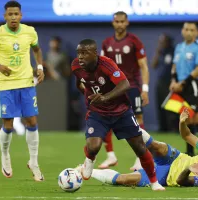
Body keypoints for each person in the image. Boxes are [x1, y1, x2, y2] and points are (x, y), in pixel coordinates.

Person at [71, 38, 165, 191]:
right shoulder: (76, 65)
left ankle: (154, 182)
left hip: (121, 112)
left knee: (140, 148)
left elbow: (125, 84)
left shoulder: (106, 64)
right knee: (93, 146)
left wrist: (104, 97)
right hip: (98, 112)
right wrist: (86, 93)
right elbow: (79, 81)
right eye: (78, 53)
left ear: (95, 53)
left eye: (84, 53)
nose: (80, 56)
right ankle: (89, 160)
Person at [77, 111, 198, 187]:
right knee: (156, 146)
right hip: (176, 157)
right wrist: (182, 123)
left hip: (166, 177)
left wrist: (188, 169)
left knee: (123, 179)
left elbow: (181, 180)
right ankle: (127, 125)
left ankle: (85, 170)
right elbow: (187, 135)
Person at [0, 1, 44, 181]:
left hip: (26, 82)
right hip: (6, 84)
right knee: (8, 123)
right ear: (5, 16)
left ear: (21, 15)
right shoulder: (0, 33)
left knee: (32, 121)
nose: (13, 17)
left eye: (16, 14)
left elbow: (37, 50)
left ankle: (33, 161)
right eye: (10, 14)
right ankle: (5, 155)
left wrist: (40, 66)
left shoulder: (30, 31)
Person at [100, 11, 149, 169]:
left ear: (127, 23)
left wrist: (145, 89)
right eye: (117, 21)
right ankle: (111, 156)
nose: (120, 24)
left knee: (138, 119)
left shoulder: (134, 41)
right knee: (105, 118)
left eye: (122, 21)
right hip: (114, 89)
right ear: (113, 23)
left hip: (132, 86)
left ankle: (140, 158)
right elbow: (102, 67)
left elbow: (143, 66)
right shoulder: (107, 43)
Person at [169, 22, 198, 156]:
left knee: (193, 118)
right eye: (186, 29)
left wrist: (183, 83)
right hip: (180, 87)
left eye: (192, 30)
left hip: (192, 85)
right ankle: (190, 153)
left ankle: (192, 152)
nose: (189, 32)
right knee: (186, 118)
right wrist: (174, 81)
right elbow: (174, 66)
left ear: (196, 32)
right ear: (182, 31)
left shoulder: (196, 47)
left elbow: (197, 69)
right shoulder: (179, 47)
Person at [152, 34, 178, 132]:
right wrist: (158, 51)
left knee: (170, 106)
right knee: (160, 105)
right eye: (160, 41)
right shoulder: (160, 52)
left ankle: (172, 128)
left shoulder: (174, 51)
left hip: (170, 82)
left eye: (163, 41)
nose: (161, 43)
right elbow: (154, 65)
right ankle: (162, 128)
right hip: (160, 82)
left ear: (168, 41)